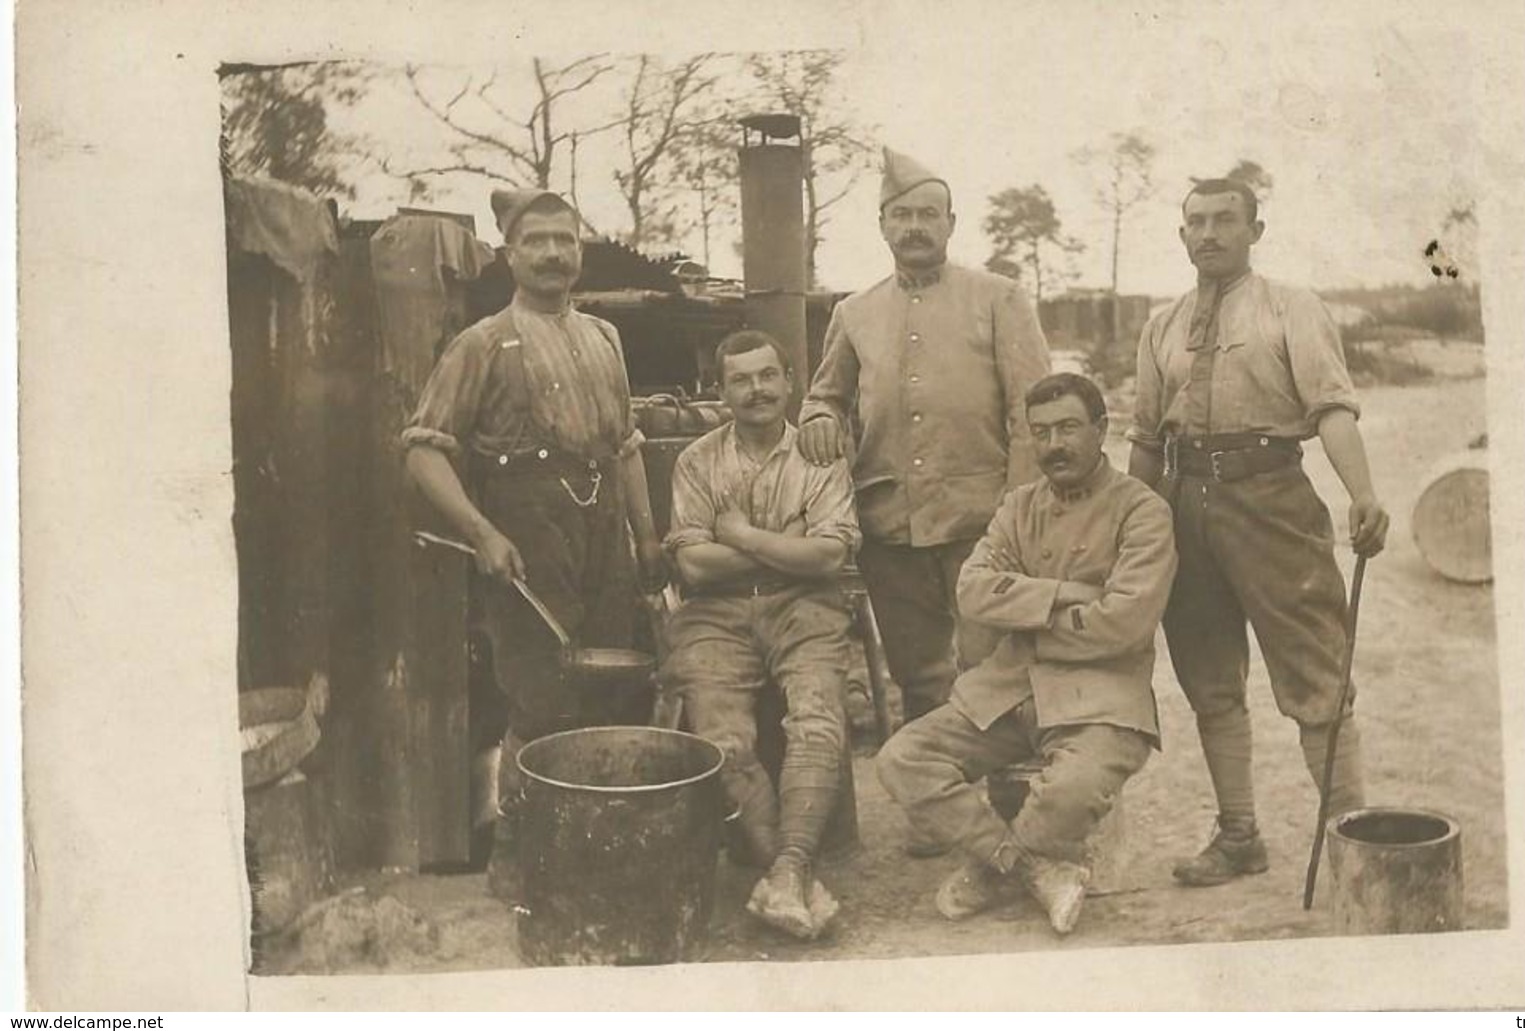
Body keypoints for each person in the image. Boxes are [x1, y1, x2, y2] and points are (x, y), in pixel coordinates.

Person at [401, 188, 665, 900]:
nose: (553, 254)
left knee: (611, 689)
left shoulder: (605, 338)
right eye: (537, 241)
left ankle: (594, 855)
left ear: (580, 251)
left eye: (565, 240)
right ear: (508, 254)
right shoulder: (482, 344)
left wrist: (646, 537)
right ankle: (516, 857)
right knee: (540, 701)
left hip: (603, 534)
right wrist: (482, 532)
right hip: (526, 541)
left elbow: (627, 447)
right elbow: (423, 454)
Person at [1126, 179, 1391, 887]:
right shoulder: (1160, 324)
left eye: (1224, 220)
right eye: (1196, 222)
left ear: (1255, 229)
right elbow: (1145, 440)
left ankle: (1355, 844)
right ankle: (1239, 834)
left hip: (1271, 499)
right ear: (1181, 235)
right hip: (1182, 505)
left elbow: (1332, 408)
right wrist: (1128, 523)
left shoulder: (1290, 307)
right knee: (1209, 679)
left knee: (1315, 677)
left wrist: (1362, 493)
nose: (1209, 233)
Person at [877, 373, 1176, 935]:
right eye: (1041, 433)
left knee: (1074, 790)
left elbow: (1125, 622)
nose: (1054, 445)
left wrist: (1024, 618)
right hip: (1010, 689)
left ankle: (993, 870)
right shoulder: (1018, 506)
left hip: (1102, 697)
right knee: (900, 759)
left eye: (1068, 428)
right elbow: (972, 590)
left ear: (1101, 430)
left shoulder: (1142, 510)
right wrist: (1067, 595)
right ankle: (1024, 866)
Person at [798, 147, 1053, 738]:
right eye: (902, 214)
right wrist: (818, 416)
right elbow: (825, 394)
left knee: (992, 668)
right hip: (891, 526)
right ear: (883, 224)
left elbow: (1033, 411)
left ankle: (1008, 799)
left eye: (928, 214)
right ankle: (939, 800)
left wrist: (1020, 511)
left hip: (983, 524)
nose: (915, 226)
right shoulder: (855, 312)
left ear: (951, 224)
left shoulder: (999, 298)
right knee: (918, 678)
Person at [661, 330, 861, 940]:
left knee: (818, 719)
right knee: (725, 738)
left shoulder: (820, 458)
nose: (757, 391)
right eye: (741, 380)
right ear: (721, 392)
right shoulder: (696, 461)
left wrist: (741, 537)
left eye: (768, 376)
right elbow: (694, 566)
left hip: (805, 610)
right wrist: (788, 543)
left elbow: (828, 560)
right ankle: (791, 871)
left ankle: (788, 867)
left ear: (789, 381)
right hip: (714, 616)